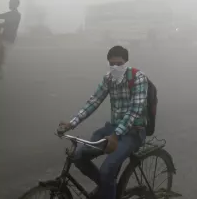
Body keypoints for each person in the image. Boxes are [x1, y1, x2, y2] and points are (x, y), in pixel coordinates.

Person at [57, 46, 148, 199]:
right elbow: (94, 101)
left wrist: (116, 134)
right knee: (78, 156)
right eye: (111, 64)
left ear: (126, 62)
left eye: (119, 64)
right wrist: (72, 123)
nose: (115, 67)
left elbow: (134, 110)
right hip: (112, 130)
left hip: (133, 132)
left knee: (107, 170)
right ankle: (108, 188)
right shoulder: (108, 78)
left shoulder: (138, 77)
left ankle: (107, 188)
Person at [0, 0, 21, 78]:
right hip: (5, 37)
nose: (9, 4)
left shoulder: (15, 14)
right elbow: (5, 23)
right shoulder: (12, 14)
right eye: (9, 3)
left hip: (8, 39)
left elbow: (2, 18)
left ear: (16, 5)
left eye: (11, 3)